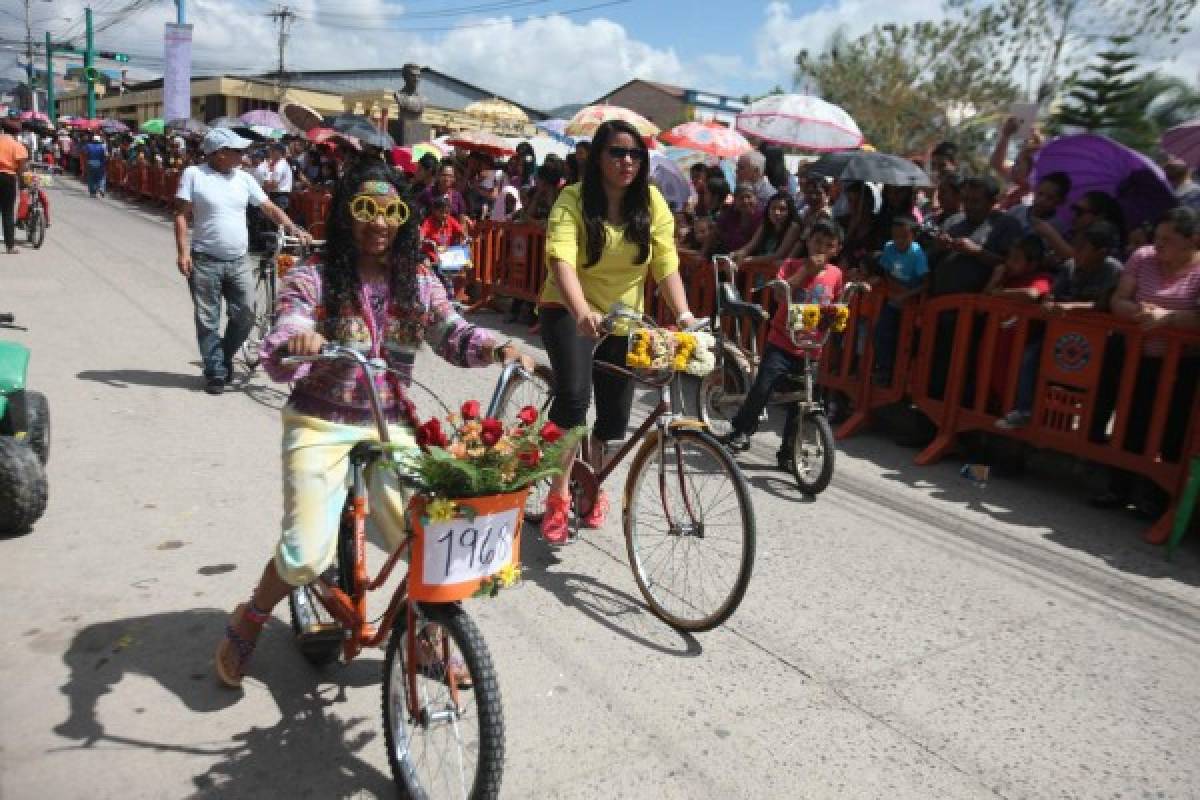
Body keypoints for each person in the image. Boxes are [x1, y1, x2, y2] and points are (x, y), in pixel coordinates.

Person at [212, 160, 537, 688]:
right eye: (366, 209)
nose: (379, 223)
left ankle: (425, 637)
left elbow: (451, 332)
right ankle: (249, 618)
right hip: (320, 423)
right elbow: (289, 321)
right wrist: (300, 339)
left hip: (392, 427)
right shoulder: (314, 274)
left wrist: (501, 346)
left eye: (391, 212)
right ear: (346, 214)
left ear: (405, 218)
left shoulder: (419, 279)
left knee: (429, 534)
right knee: (304, 554)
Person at [537, 119, 696, 544]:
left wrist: (683, 316)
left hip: (624, 318)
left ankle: (594, 484)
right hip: (569, 309)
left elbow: (666, 265)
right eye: (617, 152)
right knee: (574, 397)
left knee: (613, 417)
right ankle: (556, 496)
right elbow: (561, 260)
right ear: (596, 158)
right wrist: (582, 310)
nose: (627, 161)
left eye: (635, 154)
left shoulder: (653, 203)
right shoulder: (572, 199)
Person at [174, 128, 310, 394]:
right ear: (219, 154)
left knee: (246, 314)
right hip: (204, 260)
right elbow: (180, 215)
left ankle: (223, 357)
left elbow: (268, 206)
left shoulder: (244, 179)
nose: (242, 155)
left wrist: (292, 227)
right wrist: (183, 252)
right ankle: (215, 371)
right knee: (207, 319)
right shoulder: (194, 175)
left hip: (238, 260)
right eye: (237, 151)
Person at [1092, 207, 1200, 515]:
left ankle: (1158, 499)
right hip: (1138, 357)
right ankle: (1118, 488)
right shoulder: (1142, 257)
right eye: (1157, 238)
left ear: (1192, 240)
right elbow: (1119, 299)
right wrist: (1137, 312)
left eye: (1168, 239)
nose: (1159, 245)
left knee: (1172, 431)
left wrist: (1170, 318)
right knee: (1130, 422)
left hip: (1182, 366)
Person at [721, 221, 845, 467]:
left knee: (799, 404)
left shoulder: (836, 274)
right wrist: (805, 272)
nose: (820, 248)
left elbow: (837, 301)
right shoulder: (791, 265)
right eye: (817, 242)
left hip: (812, 348)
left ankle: (788, 452)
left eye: (828, 245)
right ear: (808, 241)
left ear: (836, 250)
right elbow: (780, 294)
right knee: (763, 387)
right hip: (782, 342)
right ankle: (741, 430)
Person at [995, 221, 1124, 429]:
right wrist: (1049, 303)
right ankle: (1024, 410)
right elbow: (1052, 295)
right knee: (1030, 355)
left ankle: (1090, 431)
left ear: (1102, 252)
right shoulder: (1069, 266)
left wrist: (1070, 307)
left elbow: (1103, 305)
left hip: (1095, 341)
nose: (1077, 253)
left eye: (1083, 249)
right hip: (1059, 334)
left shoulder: (1114, 270)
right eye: (1076, 247)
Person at [872, 215, 928, 384]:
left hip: (911, 304)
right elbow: (886, 270)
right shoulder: (889, 247)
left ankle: (904, 378)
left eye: (904, 237)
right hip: (892, 300)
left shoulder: (918, 255)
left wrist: (906, 294)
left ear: (913, 235)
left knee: (907, 341)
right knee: (882, 332)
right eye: (895, 236)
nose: (899, 241)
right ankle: (884, 370)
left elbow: (926, 284)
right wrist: (894, 286)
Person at [731, 191, 796, 267]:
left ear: (790, 211)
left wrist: (747, 260)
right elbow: (749, 247)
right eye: (773, 208)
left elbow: (778, 255)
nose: (777, 212)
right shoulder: (765, 224)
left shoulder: (793, 227)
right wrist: (733, 255)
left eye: (782, 209)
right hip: (760, 271)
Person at [1006, 170, 1071, 237]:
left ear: (1060, 202)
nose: (1041, 200)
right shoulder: (1017, 210)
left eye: (1050, 198)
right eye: (1040, 193)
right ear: (1035, 190)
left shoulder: (1057, 228)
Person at [0, 120, 28, 255]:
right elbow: (21, 169)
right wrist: (23, 185)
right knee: (7, 213)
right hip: (8, 178)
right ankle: (10, 246)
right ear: (16, 133)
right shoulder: (18, 146)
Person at [713, 183, 762, 254]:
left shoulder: (762, 217)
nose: (745, 201)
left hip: (753, 259)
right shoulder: (730, 214)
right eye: (741, 198)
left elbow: (753, 245)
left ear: (756, 198)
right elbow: (715, 233)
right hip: (729, 256)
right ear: (735, 201)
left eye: (748, 197)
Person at [256, 143, 293, 212]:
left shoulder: (280, 165)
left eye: (272, 151)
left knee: (277, 221)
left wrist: (264, 184)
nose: (270, 153)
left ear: (278, 152)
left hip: (279, 196)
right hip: (280, 196)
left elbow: (274, 185)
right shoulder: (282, 163)